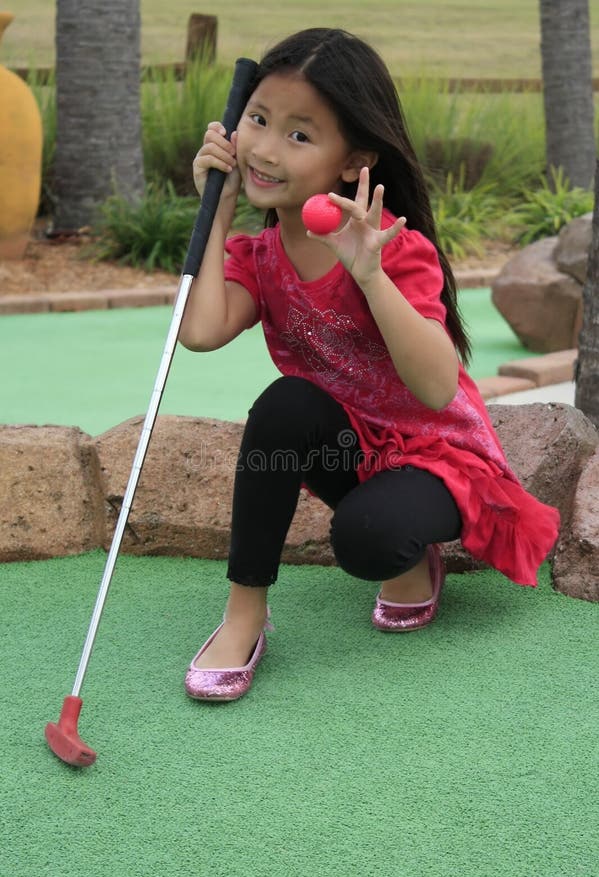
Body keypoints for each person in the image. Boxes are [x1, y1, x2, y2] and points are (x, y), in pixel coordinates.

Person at [179, 27, 560, 702]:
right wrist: (218, 209)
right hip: (355, 448)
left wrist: (370, 274)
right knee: (284, 405)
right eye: (259, 120)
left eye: (301, 135)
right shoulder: (260, 260)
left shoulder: (395, 250)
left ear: (352, 157)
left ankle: (415, 555)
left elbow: (438, 386)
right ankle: (244, 615)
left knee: (369, 540)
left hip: (439, 456)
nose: (265, 148)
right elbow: (201, 331)